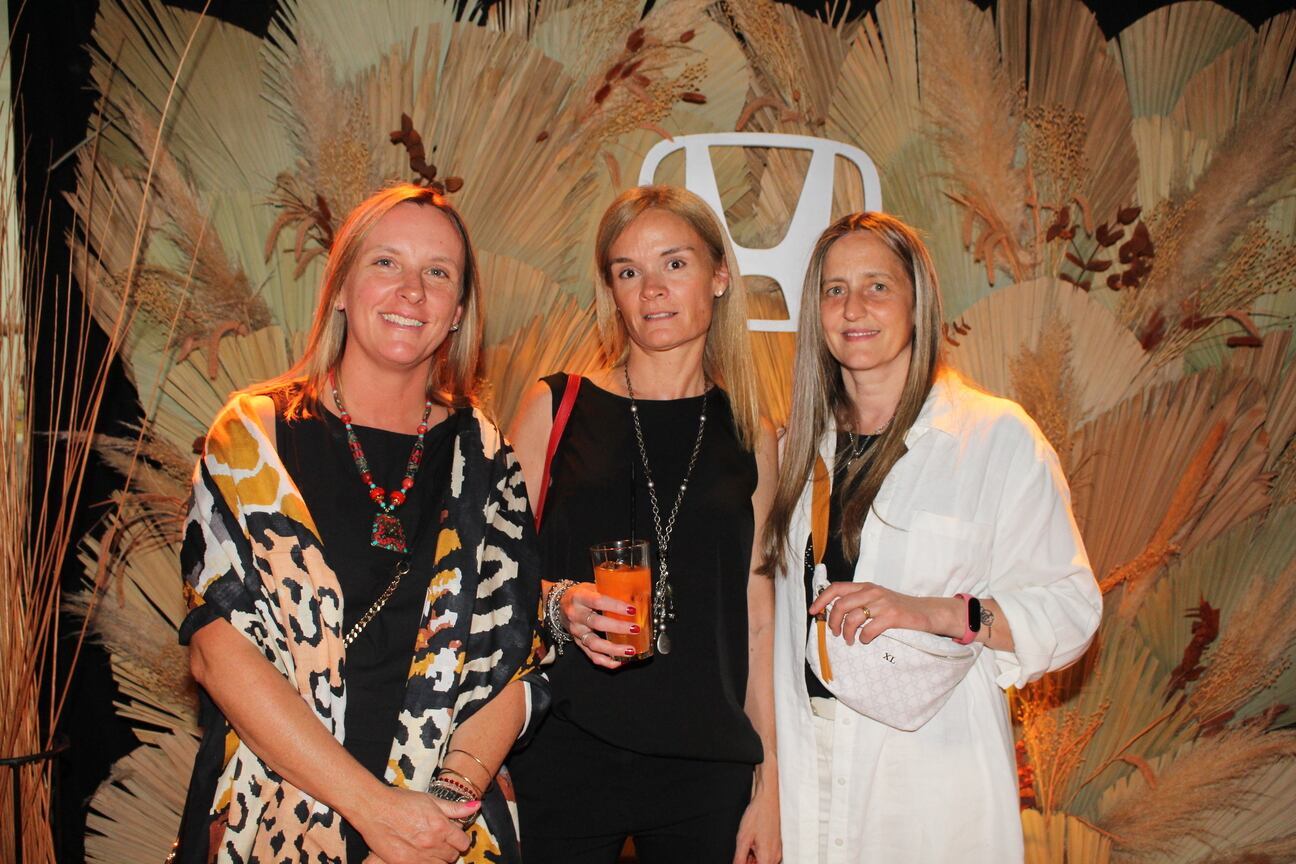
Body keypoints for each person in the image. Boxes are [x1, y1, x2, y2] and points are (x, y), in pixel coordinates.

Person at [176, 183, 548, 864]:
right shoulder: (251, 438)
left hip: (439, 837)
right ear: (341, 288)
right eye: (386, 263)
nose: (412, 291)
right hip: (269, 819)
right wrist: (374, 812)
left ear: (459, 311)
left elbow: (516, 668)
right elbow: (217, 649)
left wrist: (433, 819)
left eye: (438, 273)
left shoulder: (487, 461)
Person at [763, 212, 1102, 862]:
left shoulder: (994, 439)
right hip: (807, 776)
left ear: (918, 303)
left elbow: (1072, 609)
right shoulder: (794, 453)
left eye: (877, 286)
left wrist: (937, 612)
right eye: (834, 289)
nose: (853, 306)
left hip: (930, 780)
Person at [506, 185, 781, 864]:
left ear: (720, 277)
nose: (652, 289)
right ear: (613, 291)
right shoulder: (557, 405)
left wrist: (772, 782)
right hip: (560, 745)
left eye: (675, 264)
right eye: (629, 271)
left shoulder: (753, 434)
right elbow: (491, 578)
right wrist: (558, 603)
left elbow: (758, 615)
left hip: (705, 763)